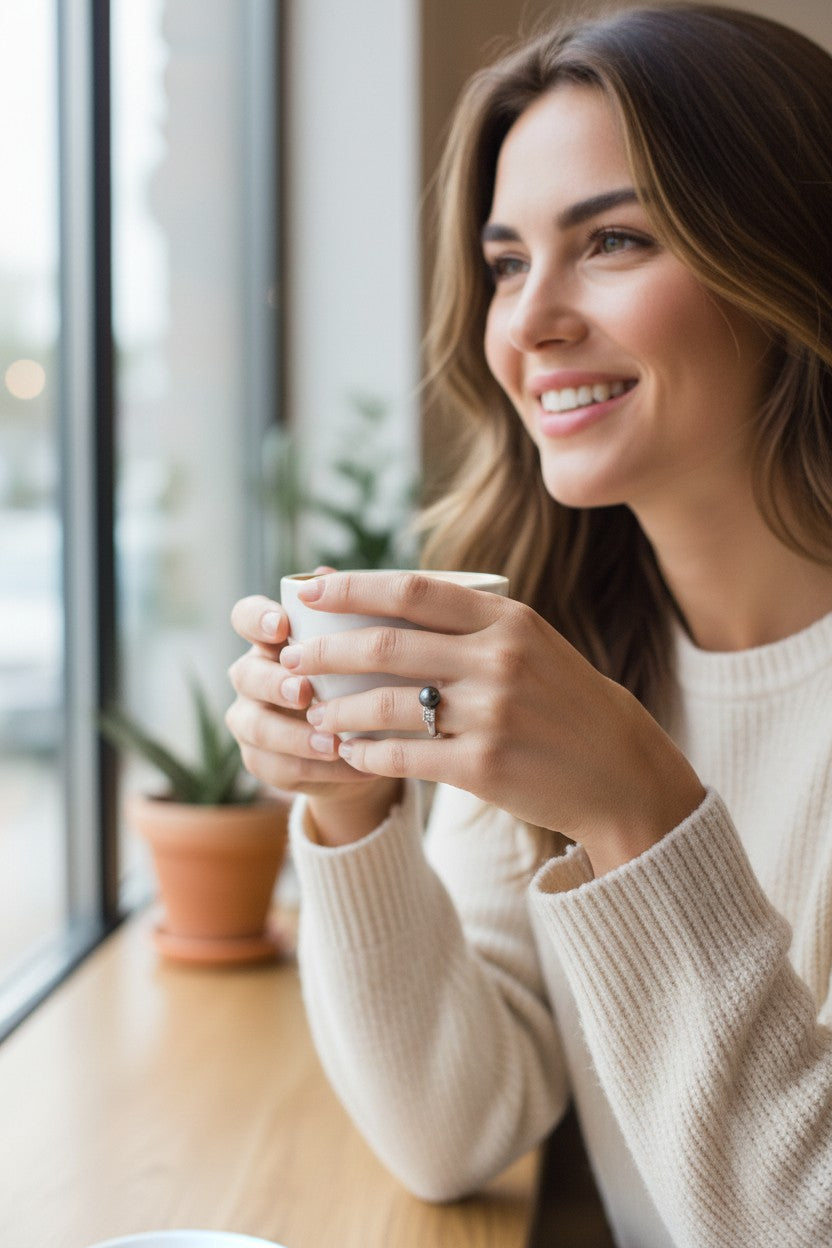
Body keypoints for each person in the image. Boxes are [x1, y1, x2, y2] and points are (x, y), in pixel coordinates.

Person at [226, 5, 832, 1244]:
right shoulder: (571, 635)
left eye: (611, 239)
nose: (528, 321)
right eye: (506, 262)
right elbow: (456, 1125)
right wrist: (346, 810)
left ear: (787, 262)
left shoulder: (583, 722)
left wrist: (638, 812)